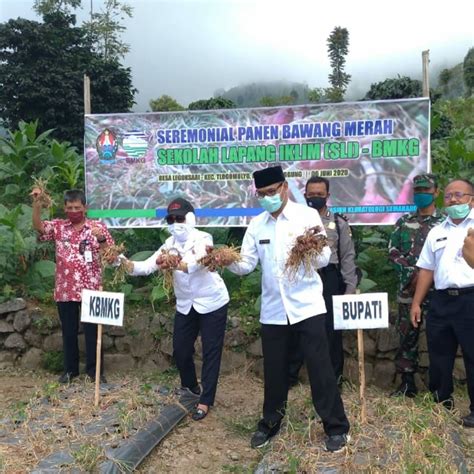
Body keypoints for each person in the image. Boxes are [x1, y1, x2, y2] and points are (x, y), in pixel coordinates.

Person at [219, 165, 350, 453]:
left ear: (285, 188)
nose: (268, 198)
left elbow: (325, 257)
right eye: (262, 195)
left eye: (272, 192)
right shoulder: (257, 225)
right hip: (274, 310)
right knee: (275, 370)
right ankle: (270, 423)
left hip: (307, 307)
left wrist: (309, 250)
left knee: (320, 367)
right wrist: (225, 258)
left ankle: (336, 427)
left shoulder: (306, 216)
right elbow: (246, 265)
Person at [124, 198, 229, 421]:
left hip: (212, 302)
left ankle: (206, 400)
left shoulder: (203, 238)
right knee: (181, 349)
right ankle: (190, 387)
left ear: (190, 218)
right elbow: (143, 267)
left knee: (211, 351)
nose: (175, 223)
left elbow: (198, 262)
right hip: (186, 304)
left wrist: (173, 263)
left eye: (179, 218)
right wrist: (119, 260)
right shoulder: (168, 244)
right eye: (171, 219)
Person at [31, 188, 114, 384]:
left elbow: (111, 256)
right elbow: (39, 227)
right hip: (65, 289)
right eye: (70, 207)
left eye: (77, 207)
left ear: (85, 208)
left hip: (92, 288)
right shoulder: (59, 227)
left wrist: (101, 239)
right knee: (68, 332)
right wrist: (36, 204)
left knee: (93, 333)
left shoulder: (97, 227)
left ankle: (95, 372)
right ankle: (70, 370)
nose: (73, 210)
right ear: (64, 208)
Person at [410, 179, 474, 426]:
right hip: (441, 301)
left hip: (470, 300)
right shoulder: (436, 231)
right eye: (448, 196)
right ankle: (440, 403)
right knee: (439, 355)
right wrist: (416, 303)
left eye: (459, 195)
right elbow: (426, 270)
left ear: (471, 198)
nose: (453, 200)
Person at [288, 176, 358, 387]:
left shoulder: (338, 222)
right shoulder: (294, 220)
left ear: (327, 196)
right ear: (305, 195)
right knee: (298, 324)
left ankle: (333, 379)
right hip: (302, 276)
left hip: (329, 278)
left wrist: (350, 287)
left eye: (319, 194)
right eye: (311, 195)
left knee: (331, 330)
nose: (315, 198)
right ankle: (290, 376)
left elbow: (347, 256)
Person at [388, 174, 444, 397]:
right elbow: (392, 252)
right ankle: (407, 384)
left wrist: (425, 275)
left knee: (439, 338)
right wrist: (412, 273)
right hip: (408, 292)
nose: (421, 194)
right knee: (406, 337)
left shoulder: (444, 224)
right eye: (418, 190)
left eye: (426, 190)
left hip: (438, 291)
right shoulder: (403, 222)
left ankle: (439, 386)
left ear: (436, 193)